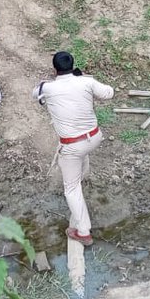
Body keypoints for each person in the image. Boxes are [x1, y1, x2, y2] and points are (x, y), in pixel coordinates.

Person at [35, 51, 113, 246]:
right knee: (81, 155)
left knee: (71, 188)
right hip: (94, 137)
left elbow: (35, 94)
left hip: (72, 145)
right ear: (73, 65)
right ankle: (82, 177)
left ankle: (83, 232)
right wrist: (85, 78)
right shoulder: (86, 82)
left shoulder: (47, 88)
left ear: (55, 69)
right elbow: (109, 93)